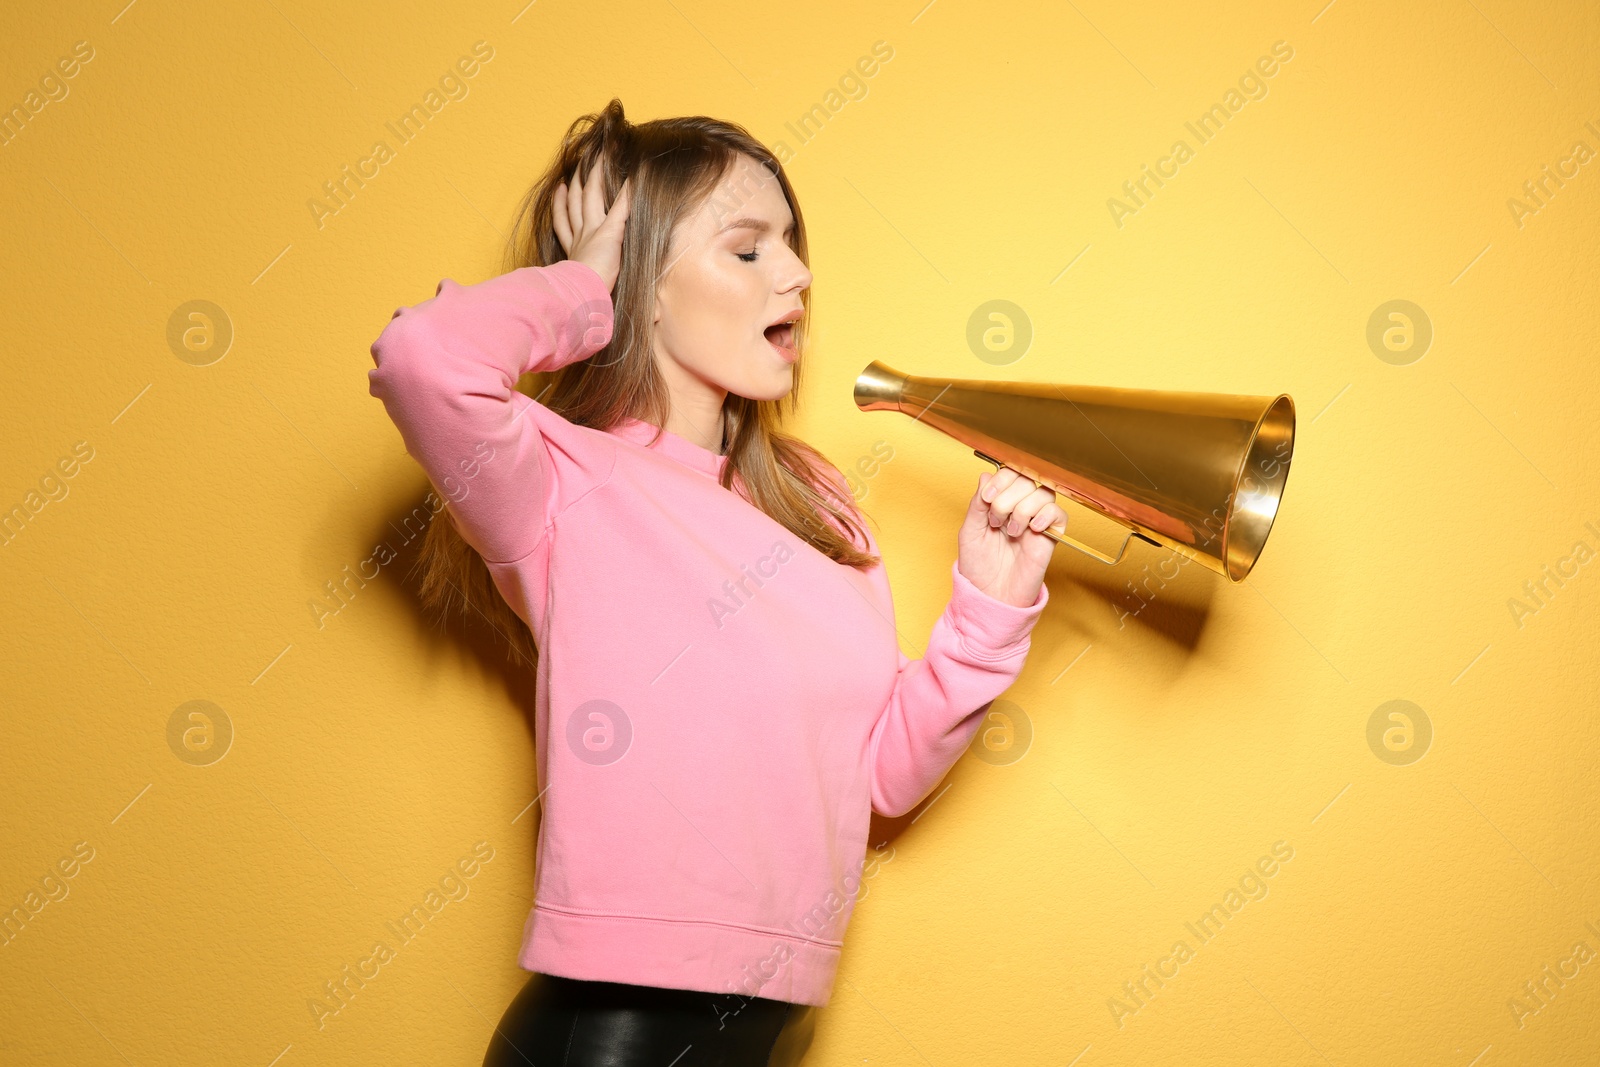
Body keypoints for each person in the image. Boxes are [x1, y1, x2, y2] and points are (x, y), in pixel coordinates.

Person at [366, 98, 1066, 1067]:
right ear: (639, 285)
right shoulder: (555, 478)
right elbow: (420, 359)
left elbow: (879, 780)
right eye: (746, 249)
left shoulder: (814, 498)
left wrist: (986, 606)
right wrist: (580, 281)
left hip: (777, 1024)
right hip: (617, 1027)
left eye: (791, 244)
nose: (796, 273)